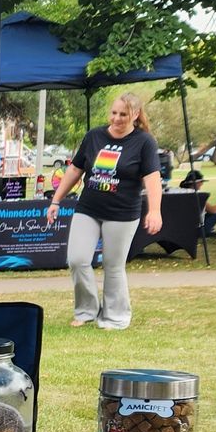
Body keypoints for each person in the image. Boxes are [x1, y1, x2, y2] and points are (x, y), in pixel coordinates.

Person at [46, 92, 163, 330]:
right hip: (88, 208)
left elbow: (152, 179)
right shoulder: (94, 136)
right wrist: (56, 200)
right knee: (77, 259)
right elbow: (75, 171)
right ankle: (86, 310)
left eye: (123, 114)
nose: (117, 118)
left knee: (113, 265)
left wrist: (155, 211)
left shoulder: (144, 142)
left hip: (122, 213)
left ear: (135, 115)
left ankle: (115, 317)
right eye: (114, 113)